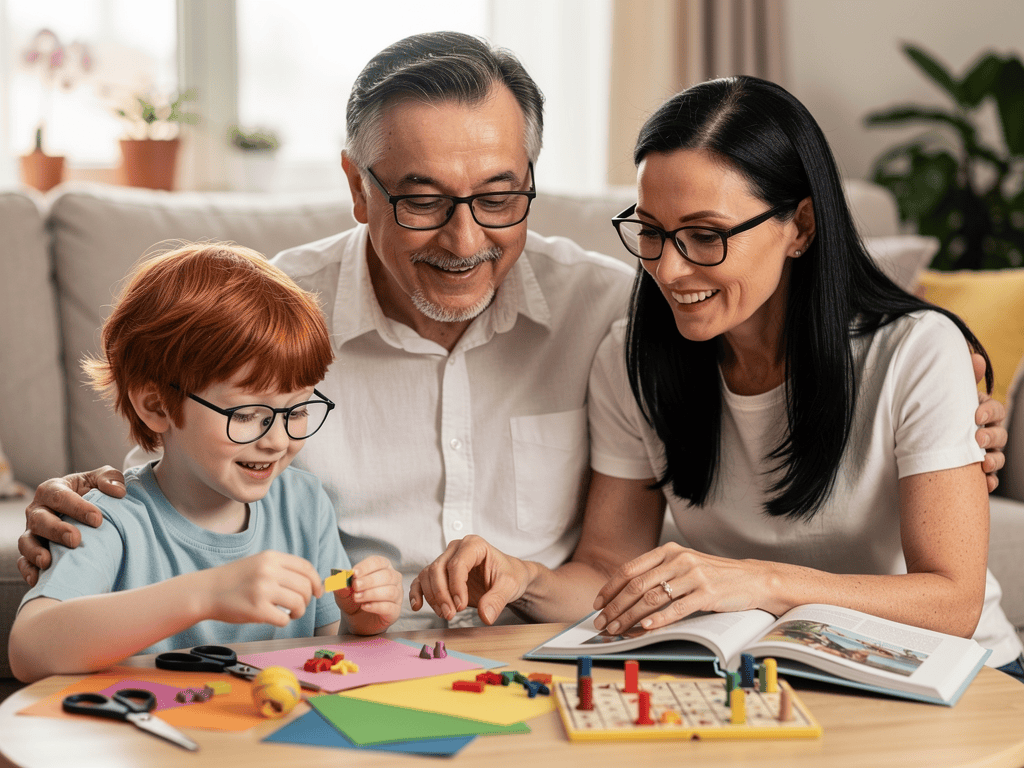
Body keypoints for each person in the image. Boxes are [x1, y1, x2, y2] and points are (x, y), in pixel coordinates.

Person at [15, 35, 1006, 631]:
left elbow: (860, 357)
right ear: (357, 187)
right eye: (421, 201)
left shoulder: (614, 313)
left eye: (499, 198)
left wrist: (957, 384)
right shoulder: (273, 318)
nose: (465, 241)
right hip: (330, 662)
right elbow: (167, 478)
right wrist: (86, 499)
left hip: (534, 665)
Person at [409, 75, 1024, 678]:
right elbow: (605, 571)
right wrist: (527, 579)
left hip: (959, 681)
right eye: (650, 233)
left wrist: (759, 581)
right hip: (775, 678)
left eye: (706, 236)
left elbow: (952, 604)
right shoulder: (634, 360)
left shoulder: (917, 352)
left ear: (800, 227)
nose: (669, 270)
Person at [8, 244, 402, 683]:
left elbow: (326, 654)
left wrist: (360, 621)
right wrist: (206, 593)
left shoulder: (304, 504)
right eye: (246, 415)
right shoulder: (109, 519)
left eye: (296, 411)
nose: (277, 440)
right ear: (156, 406)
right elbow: (30, 649)